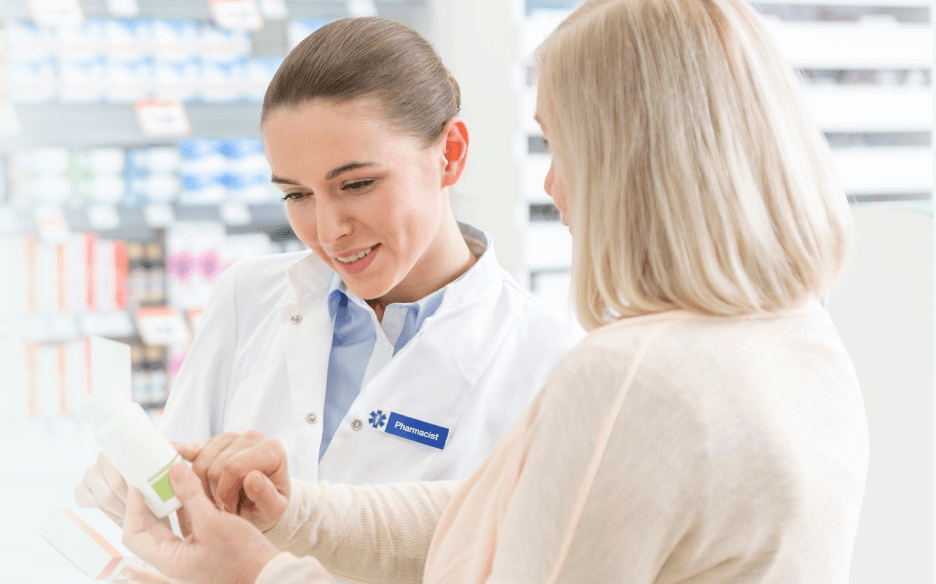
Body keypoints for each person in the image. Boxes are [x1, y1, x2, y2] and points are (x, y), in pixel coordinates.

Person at [114, 0, 866, 581]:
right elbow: (499, 516)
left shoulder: (627, 376)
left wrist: (259, 572)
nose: (554, 182)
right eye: (295, 194)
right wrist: (300, 512)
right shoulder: (803, 345)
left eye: (563, 146)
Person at [78, 17, 580, 524]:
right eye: (296, 195)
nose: (327, 230)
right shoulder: (246, 297)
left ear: (449, 155)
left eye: (357, 184)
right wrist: (138, 492)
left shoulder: (549, 362)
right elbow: (181, 518)